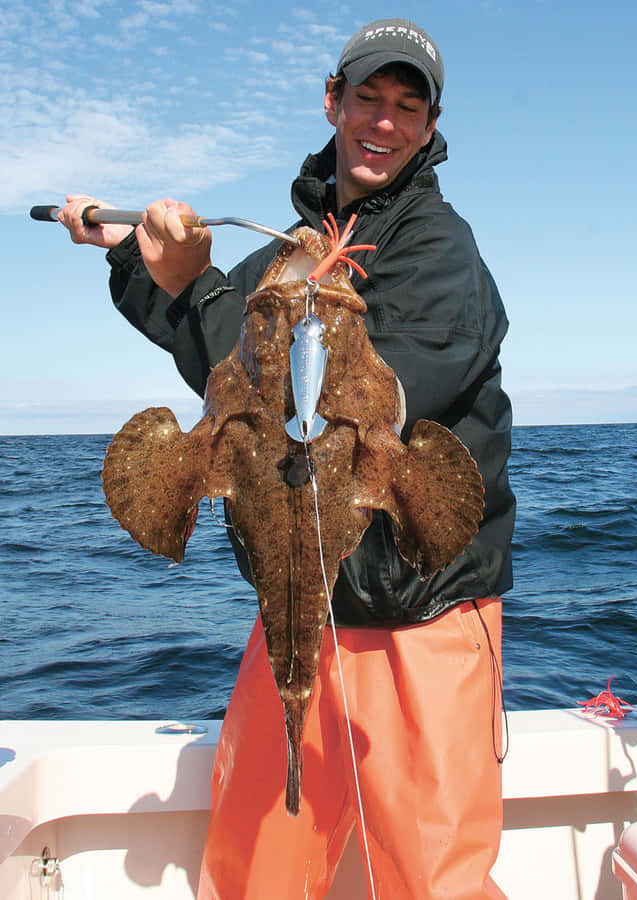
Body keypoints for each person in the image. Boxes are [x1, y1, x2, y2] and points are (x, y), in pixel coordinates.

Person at [59, 18, 515, 899]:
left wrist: (201, 284)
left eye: (405, 108)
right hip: (300, 607)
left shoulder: (439, 254)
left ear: (429, 125)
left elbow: (332, 400)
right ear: (333, 103)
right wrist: (137, 261)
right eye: (367, 100)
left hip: (423, 619)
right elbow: (224, 355)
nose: (383, 122)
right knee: (255, 867)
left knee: (433, 879)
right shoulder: (285, 254)